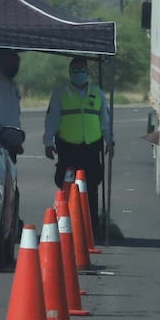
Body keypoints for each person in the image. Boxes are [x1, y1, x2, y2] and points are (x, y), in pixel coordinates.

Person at [43, 57, 113, 238]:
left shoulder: (97, 93)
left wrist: (110, 141)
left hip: (91, 147)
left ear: (88, 72)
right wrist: (48, 143)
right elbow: (52, 120)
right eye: (75, 70)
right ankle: (66, 223)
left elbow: (105, 120)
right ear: (70, 73)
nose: (78, 74)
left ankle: (92, 226)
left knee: (91, 186)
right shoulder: (61, 93)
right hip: (68, 147)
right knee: (66, 185)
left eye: (81, 70)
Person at [0, 48, 24, 161]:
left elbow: (15, 114)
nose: (15, 66)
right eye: (11, 62)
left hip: (12, 140)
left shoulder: (13, 86)